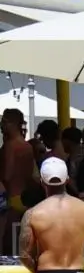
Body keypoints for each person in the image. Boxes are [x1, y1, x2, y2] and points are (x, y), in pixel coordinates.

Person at [1, 108, 36, 255]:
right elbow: (30, 175)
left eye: (3, 122)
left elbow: (7, 175)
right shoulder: (27, 147)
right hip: (23, 198)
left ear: (11, 124)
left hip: (10, 199)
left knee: (4, 243)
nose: (1, 126)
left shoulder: (10, 146)